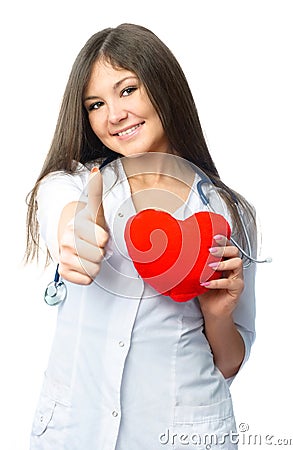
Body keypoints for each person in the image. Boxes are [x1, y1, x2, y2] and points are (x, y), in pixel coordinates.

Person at [25, 23, 257, 450]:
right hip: (75, 433)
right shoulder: (77, 185)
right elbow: (56, 200)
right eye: (96, 103)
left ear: (163, 86)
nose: (114, 115)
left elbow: (227, 364)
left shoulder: (228, 213)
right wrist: (72, 226)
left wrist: (218, 314)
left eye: (127, 90)